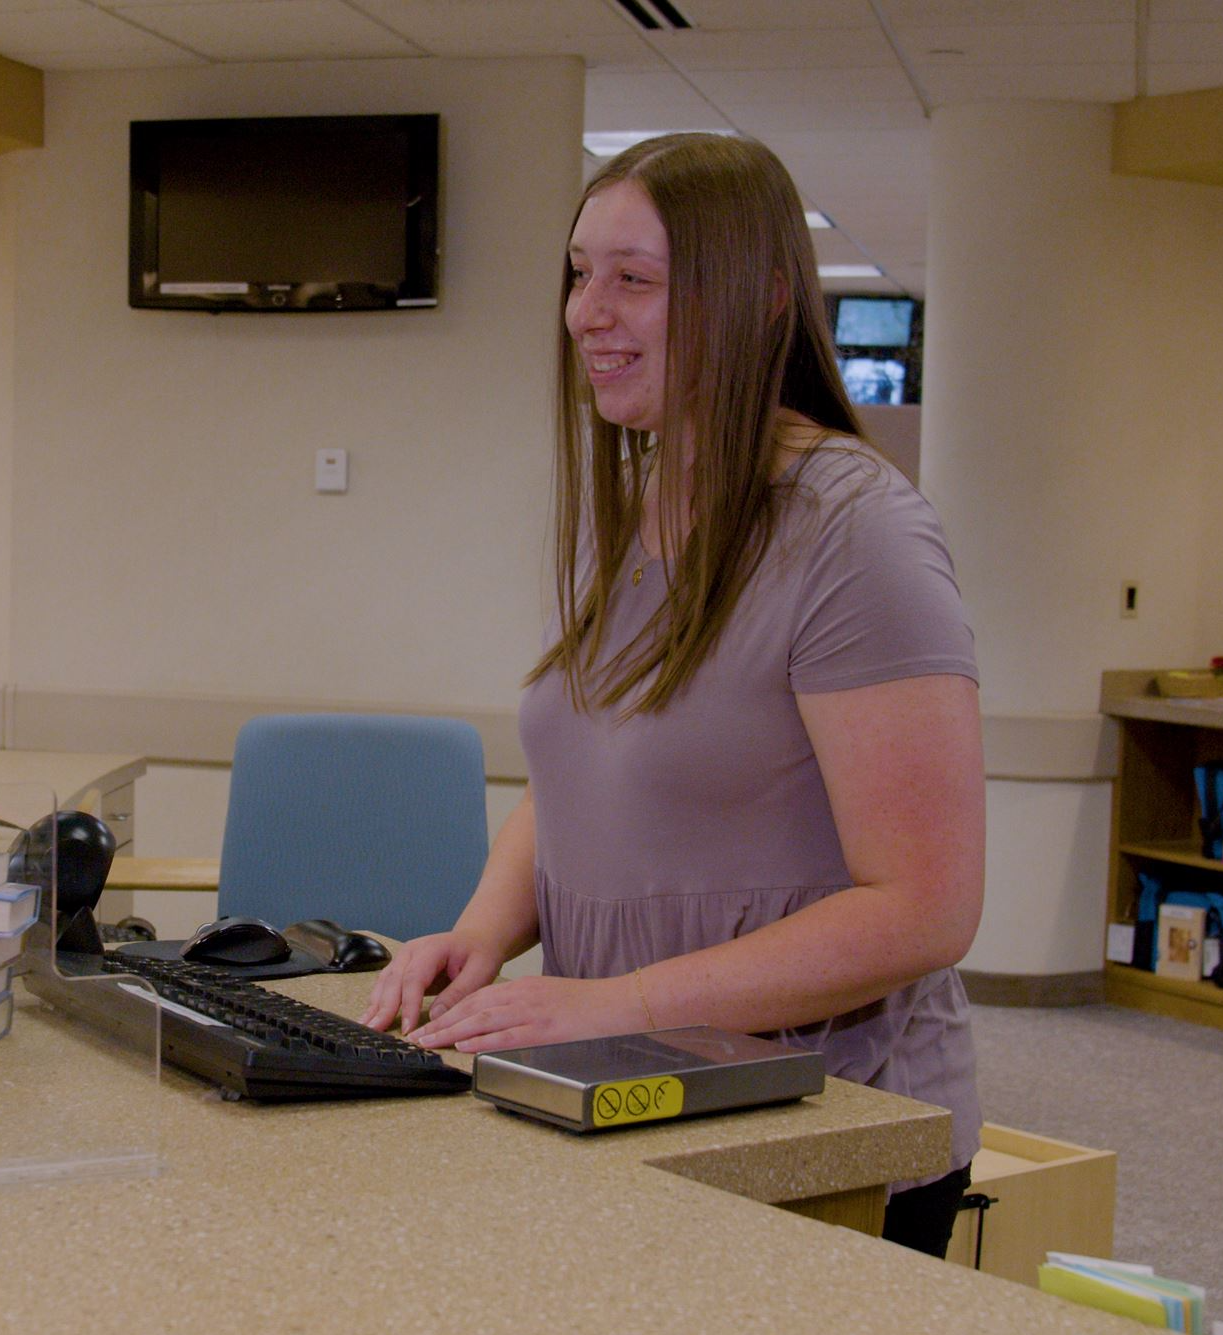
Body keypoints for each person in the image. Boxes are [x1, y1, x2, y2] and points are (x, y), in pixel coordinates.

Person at [359, 133, 986, 1257]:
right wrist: (479, 936)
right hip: (626, 1087)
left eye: (632, 280)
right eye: (576, 272)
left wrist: (611, 1006)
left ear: (753, 299)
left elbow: (925, 907)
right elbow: (581, 778)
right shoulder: (635, 507)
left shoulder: (854, 532)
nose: (584, 312)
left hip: (815, 1118)